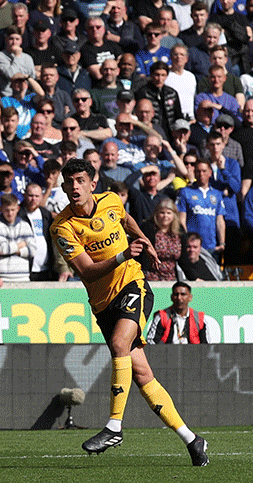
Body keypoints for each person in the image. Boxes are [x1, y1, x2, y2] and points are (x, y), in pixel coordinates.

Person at [51, 158, 209, 465]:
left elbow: (125, 219)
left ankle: (113, 426)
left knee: (119, 345)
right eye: (69, 182)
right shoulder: (63, 227)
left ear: (92, 184)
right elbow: (88, 271)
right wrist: (124, 252)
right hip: (102, 303)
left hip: (132, 285)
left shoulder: (111, 200)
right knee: (142, 374)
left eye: (80, 181)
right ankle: (193, 439)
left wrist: (143, 238)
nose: (74, 187)